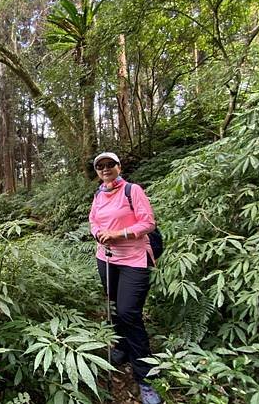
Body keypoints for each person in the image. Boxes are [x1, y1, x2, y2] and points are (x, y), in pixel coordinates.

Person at [88, 152, 162, 404]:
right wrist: (99, 233)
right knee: (114, 307)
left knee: (129, 312)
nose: (105, 169)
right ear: (97, 171)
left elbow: (148, 223)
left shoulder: (133, 190)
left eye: (110, 165)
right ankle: (121, 348)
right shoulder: (98, 195)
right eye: (101, 166)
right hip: (106, 258)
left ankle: (146, 377)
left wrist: (119, 233)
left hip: (133, 259)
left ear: (118, 167)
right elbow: (93, 222)